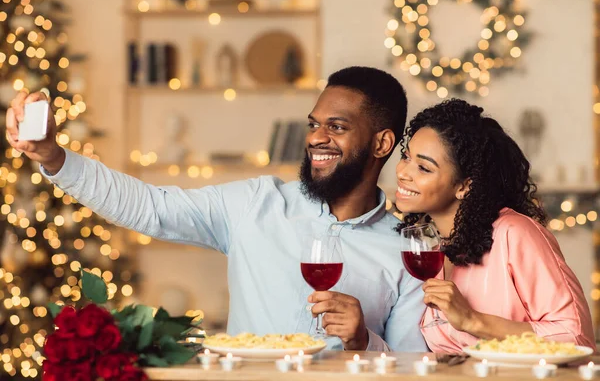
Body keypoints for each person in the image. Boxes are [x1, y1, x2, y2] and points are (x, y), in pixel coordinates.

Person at [6, 66, 428, 352]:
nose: (317, 138)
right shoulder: (256, 203)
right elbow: (150, 207)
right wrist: (54, 157)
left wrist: (363, 341)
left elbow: (414, 369)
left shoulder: (407, 250)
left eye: (336, 127)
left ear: (382, 144)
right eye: (313, 124)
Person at [394, 98, 595, 353]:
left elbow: (575, 336)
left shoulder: (514, 233)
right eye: (406, 156)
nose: (402, 172)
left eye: (423, 167)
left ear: (464, 186)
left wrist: (472, 320)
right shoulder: (431, 249)